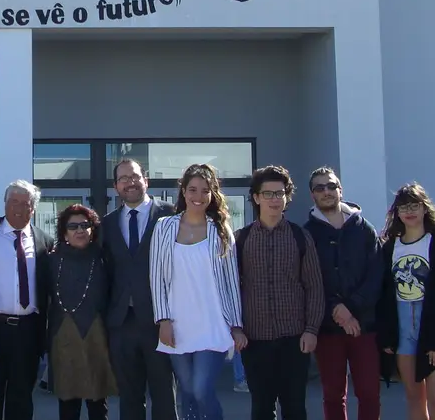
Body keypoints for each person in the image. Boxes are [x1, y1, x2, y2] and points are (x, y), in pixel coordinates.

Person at [150, 163, 246, 420]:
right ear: (183, 191)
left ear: (213, 194)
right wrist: (163, 320)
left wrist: (236, 325)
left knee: (201, 389)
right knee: (187, 394)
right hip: (177, 325)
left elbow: (231, 282)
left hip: (212, 324)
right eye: (192, 189)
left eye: (205, 191)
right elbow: (157, 277)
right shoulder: (164, 226)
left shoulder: (220, 230)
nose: (198, 196)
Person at [234, 165, 323, 420]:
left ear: (286, 198)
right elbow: (231, 289)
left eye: (280, 193)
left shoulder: (300, 236)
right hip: (255, 339)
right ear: (256, 197)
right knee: (261, 408)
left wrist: (311, 329)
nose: (274, 199)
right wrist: (235, 328)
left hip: (294, 338)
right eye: (268, 193)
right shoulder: (241, 239)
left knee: (295, 407)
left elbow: (314, 286)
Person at [303, 166, 383, 420]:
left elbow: (376, 275)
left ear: (340, 190)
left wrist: (352, 309)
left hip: (363, 325)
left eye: (331, 186)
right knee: (333, 395)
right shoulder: (307, 233)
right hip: (327, 327)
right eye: (320, 187)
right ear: (312, 194)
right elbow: (307, 281)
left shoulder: (364, 228)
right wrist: (336, 310)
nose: (326, 191)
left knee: (369, 392)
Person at [102, 158, 177, 420]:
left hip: (160, 321)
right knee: (129, 397)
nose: (130, 182)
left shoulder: (169, 215)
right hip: (122, 323)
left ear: (145, 180)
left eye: (134, 176)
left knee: (164, 396)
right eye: (123, 178)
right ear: (115, 187)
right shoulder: (108, 224)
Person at [0, 179, 54, 420]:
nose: (19, 207)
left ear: (34, 208)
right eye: (13, 201)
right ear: (5, 203)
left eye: (26, 203)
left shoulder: (44, 241)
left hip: (28, 332)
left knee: (21, 398)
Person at [377, 183, 435, 420]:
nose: (409, 211)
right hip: (403, 328)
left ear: (424, 208)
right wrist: (388, 336)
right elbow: (384, 295)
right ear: (397, 213)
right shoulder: (390, 247)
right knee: (414, 398)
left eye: (415, 205)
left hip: (432, 324)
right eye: (404, 207)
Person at [45, 204, 117, 420]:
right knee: (68, 406)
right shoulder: (50, 260)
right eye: (73, 226)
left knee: (98, 406)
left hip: (97, 337)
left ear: (93, 229)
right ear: (64, 232)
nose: (79, 230)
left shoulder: (104, 258)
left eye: (85, 225)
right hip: (63, 338)